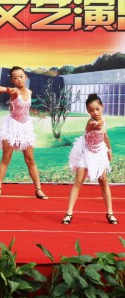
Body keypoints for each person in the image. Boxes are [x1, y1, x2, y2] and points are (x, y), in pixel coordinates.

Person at [0, 66, 48, 199]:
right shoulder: (15, 91)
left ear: (25, 77)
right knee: (6, 158)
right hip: (11, 127)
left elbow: (26, 108)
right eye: (15, 78)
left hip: (25, 127)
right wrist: (4, 89)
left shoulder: (29, 92)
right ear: (12, 80)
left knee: (30, 160)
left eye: (21, 76)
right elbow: (12, 90)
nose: (19, 79)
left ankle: (38, 189)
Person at [62, 94, 117, 225]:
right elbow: (97, 126)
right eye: (91, 110)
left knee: (104, 182)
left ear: (102, 107)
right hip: (86, 153)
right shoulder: (91, 122)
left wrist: (109, 150)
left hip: (99, 153)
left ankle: (110, 213)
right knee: (78, 181)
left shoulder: (104, 120)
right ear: (88, 111)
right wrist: (98, 124)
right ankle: (69, 213)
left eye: (97, 109)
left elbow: (105, 136)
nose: (95, 112)